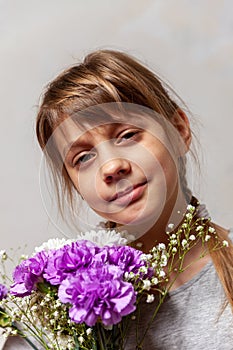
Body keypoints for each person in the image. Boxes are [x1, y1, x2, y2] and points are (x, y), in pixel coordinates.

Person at [1, 50, 232, 349]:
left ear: (179, 131)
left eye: (127, 135)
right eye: (83, 157)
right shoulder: (55, 311)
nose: (111, 167)